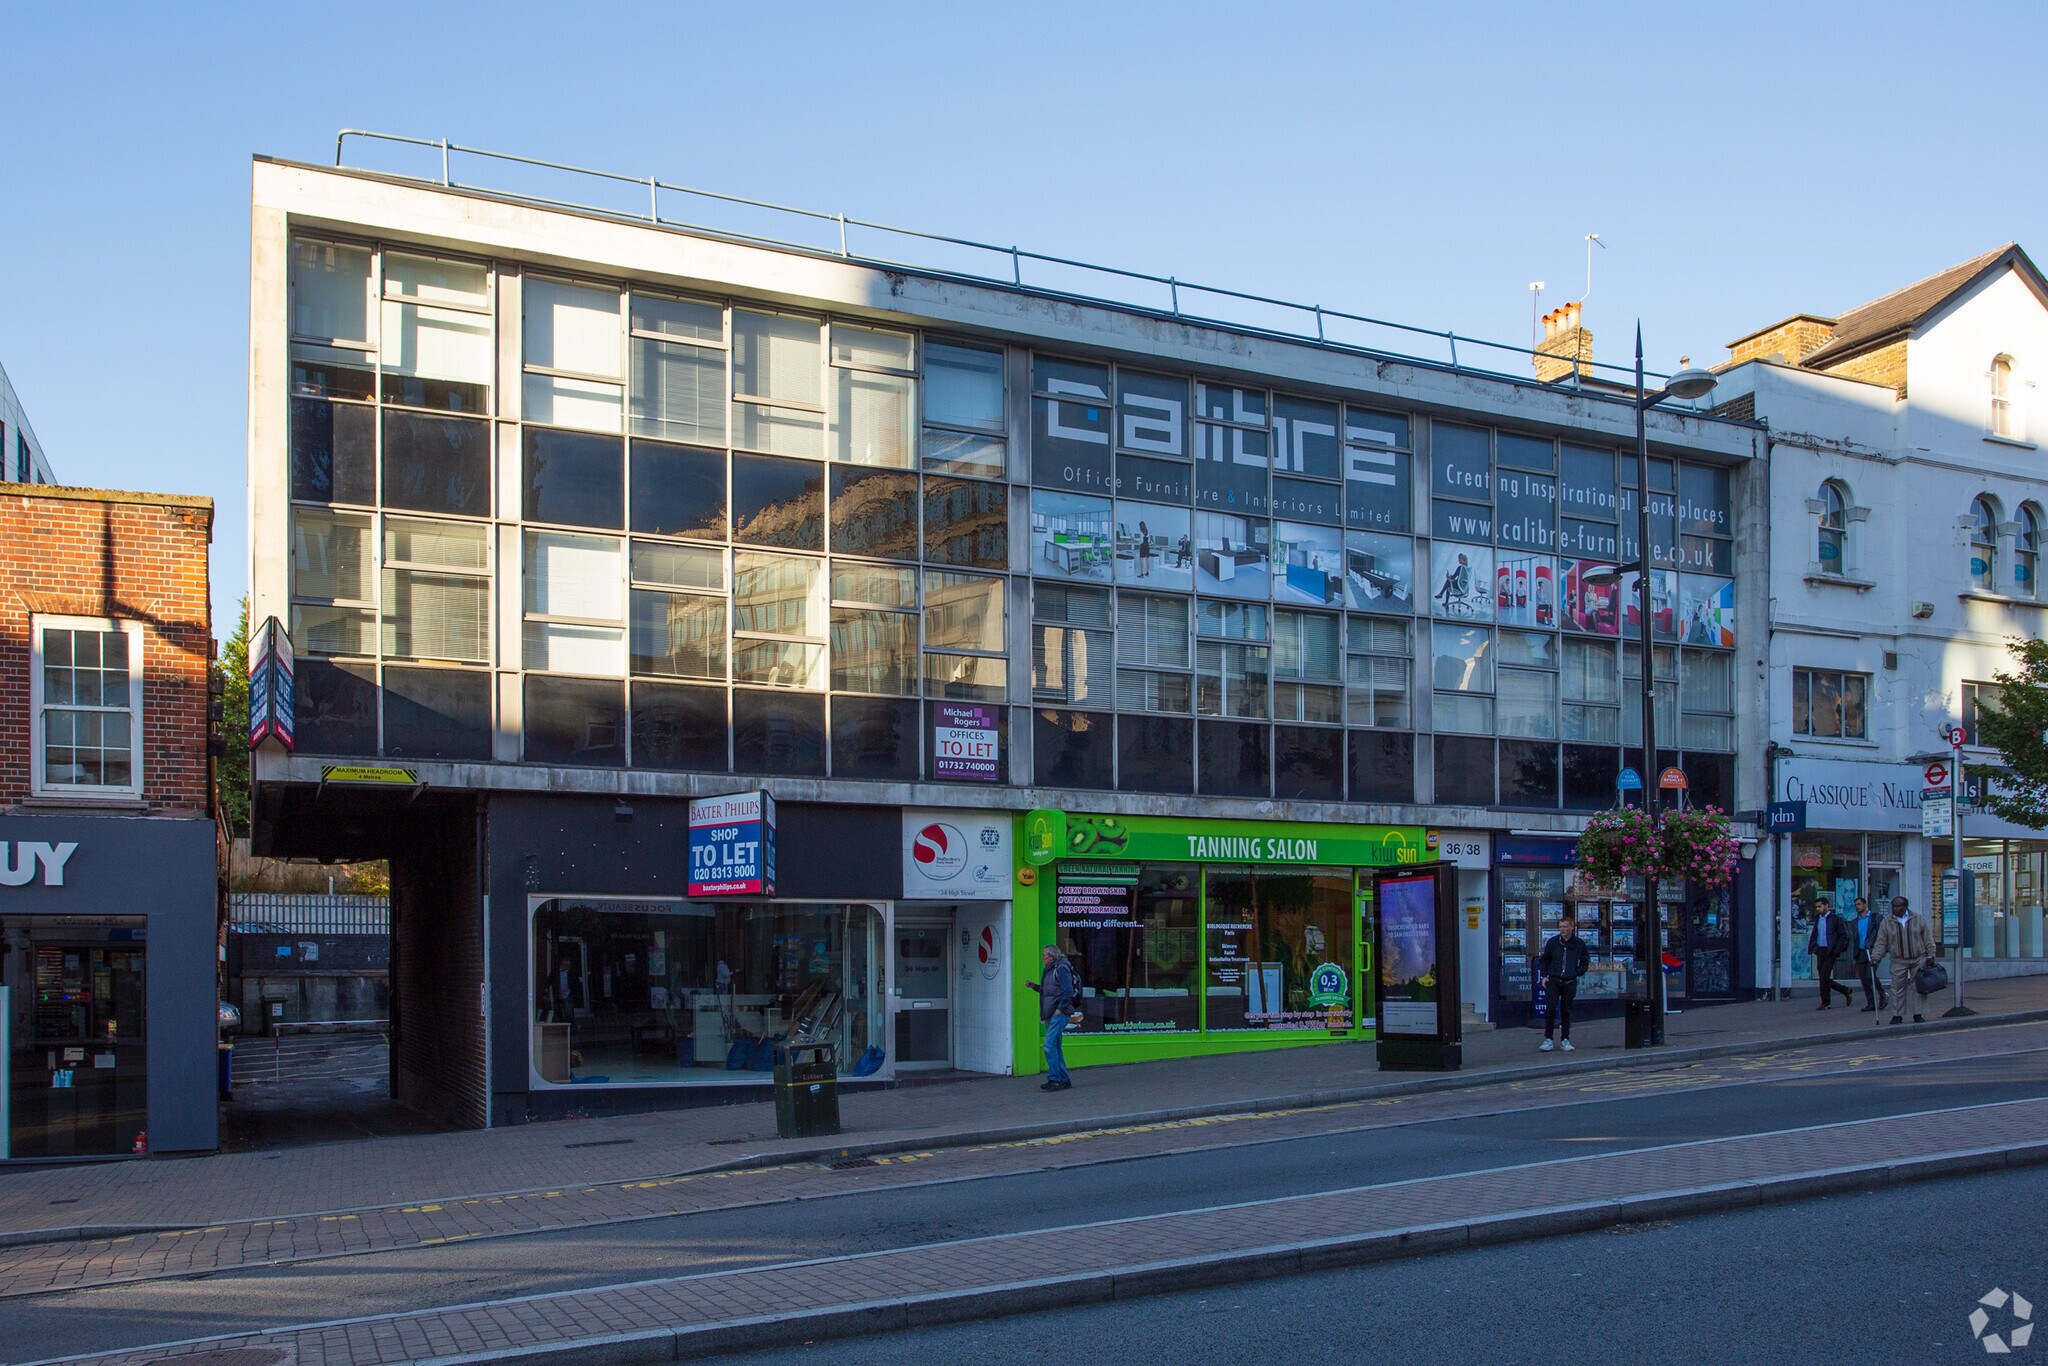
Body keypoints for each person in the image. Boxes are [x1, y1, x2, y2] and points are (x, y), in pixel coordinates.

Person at [1869, 895, 1938, 1025]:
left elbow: (1927, 937)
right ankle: (1897, 1015)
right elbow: (1881, 942)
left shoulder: (1918, 918)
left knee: (1918, 986)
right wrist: (1875, 958)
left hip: (1918, 957)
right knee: (1897, 988)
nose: (1895, 909)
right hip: (1898, 959)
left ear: (1905, 907)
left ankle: (1918, 1014)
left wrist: (1931, 954)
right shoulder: (1886, 921)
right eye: (1894, 906)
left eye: (1899, 906)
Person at [1024, 944, 1077, 1090]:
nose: (1042, 958)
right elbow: (1048, 991)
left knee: (1048, 1045)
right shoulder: (1051, 969)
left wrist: (1059, 1011)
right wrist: (1034, 986)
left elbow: (1068, 992)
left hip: (1058, 1014)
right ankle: (1064, 1079)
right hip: (1052, 1013)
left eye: (1044, 955)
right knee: (1055, 1046)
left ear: (1052, 957)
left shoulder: (1061, 968)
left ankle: (1055, 1079)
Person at [1536, 915, 1590, 1052]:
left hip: (1569, 980)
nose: (1562, 930)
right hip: (1554, 979)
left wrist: (1577, 972)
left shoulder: (1579, 943)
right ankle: (1548, 1039)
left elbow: (1585, 961)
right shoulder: (1553, 942)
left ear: (1572, 927)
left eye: (1565, 927)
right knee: (1550, 1009)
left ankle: (1565, 1039)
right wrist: (1544, 976)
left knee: (1566, 1011)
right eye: (1560, 927)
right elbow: (1545, 960)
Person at [1807, 897, 1854, 1010]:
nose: (1818, 909)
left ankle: (1826, 1002)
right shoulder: (1818, 919)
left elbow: (1843, 935)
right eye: (1817, 907)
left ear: (1826, 905)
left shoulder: (1835, 919)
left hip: (1830, 950)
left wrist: (1836, 949)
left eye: (1820, 906)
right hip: (1820, 950)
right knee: (1823, 977)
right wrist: (1814, 947)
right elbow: (1816, 934)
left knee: (1824, 976)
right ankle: (1845, 990)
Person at [1850, 896, 1889, 1014]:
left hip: (1872, 950)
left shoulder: (1875, 918)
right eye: (1855, 905)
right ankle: (1871, 1002)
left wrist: (1880, 949)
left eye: (1859, 904)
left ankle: (1883, 995)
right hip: (1861, 951)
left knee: (1869, 974)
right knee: (1863, 978)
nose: (1857, 907)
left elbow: (1882, 934)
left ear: (1865, 904)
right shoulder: (1855, 921)